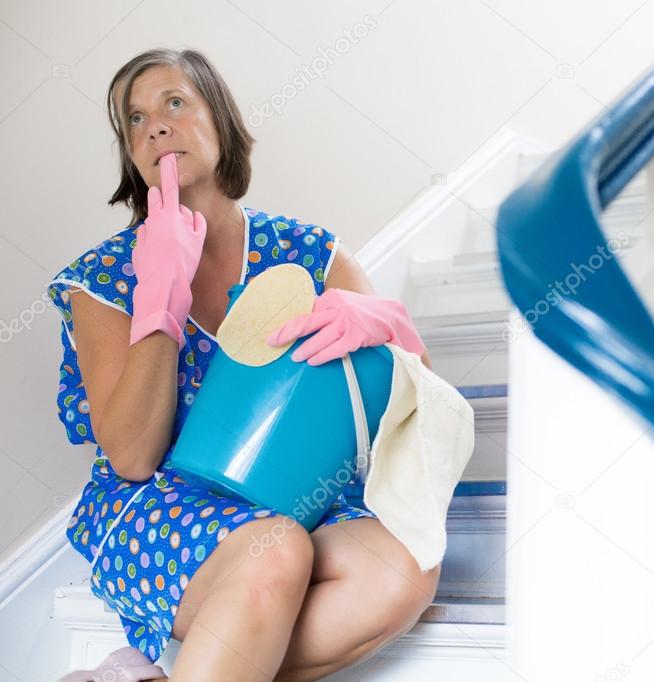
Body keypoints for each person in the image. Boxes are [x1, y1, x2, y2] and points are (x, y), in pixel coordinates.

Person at [48, 48, 439, 681]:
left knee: (404, 570)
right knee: (276, 549)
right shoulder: (103, 280)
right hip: (154, 505)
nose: (156, 126)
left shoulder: (309, 253)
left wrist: (391, 327)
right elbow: (132, 456)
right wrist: (160, 298)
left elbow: (417, 395)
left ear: (220, 120)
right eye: (135, 119)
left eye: (174, 102)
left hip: (291, 491)